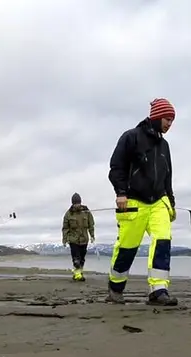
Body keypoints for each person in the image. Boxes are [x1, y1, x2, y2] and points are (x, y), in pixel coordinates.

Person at [105, 98, 179, 306]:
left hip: (159, 202)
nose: (169, 124)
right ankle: (116, 287)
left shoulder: (165, 145)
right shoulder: (131, 137)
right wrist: (121, 193)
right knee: (127, 247)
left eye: (172, 121)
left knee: (163, 241)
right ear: (156, 117)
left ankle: (158, 289)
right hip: (132, 201)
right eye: (167, 119)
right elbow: (116, 168)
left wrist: (170, 201)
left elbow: (168, 176)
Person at [61, 192, 96, 281]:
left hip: (84, 239)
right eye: (75, 203)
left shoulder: (86, 212)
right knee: (76, 259)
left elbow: (91, 224)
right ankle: (77, 275)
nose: (77, 205)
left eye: (78, 203)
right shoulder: (68, 214)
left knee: (82, 259)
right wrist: (64, 240)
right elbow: (65, 228)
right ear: (72, 203)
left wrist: (92, 235)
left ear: (80, 202)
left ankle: (79, 273)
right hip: (73, 240)